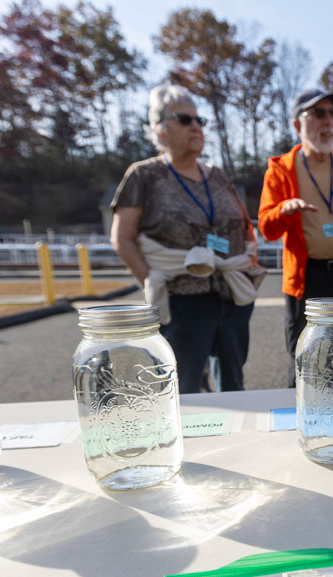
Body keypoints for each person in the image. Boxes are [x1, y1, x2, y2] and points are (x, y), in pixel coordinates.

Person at [110, 83, 262, 394]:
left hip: (231, 297)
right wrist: (150, 278)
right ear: (159, 128)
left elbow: (244, 224)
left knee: (233, 384)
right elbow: (122, 237)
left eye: (199, 120)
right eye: (184, 119)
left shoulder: (217, 175)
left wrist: (247, 260)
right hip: (181, 301)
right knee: (185, 389)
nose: (196, 126)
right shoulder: (143, 176)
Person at [258, 88, 333, 386]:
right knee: (304, 362)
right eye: (319, 114)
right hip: (306, 281)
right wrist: (284, 211)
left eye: (332, 114)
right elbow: (267, 228)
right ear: (297, 125)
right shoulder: (281, 170)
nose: (329, 121)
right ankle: (298, 425)